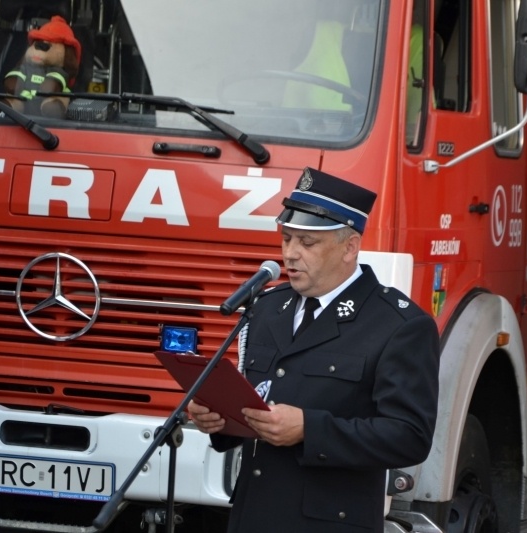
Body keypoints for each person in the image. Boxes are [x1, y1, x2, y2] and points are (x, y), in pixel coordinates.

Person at [188, 167, 440, 532]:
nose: (290, 254)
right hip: (253, 517)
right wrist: (219, 420)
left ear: (349, 247)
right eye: (287, 238)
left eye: (307, 243)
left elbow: (410, 437)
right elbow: (258, 397)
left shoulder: (398, 325)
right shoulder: (269, 308)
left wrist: (310, 429)